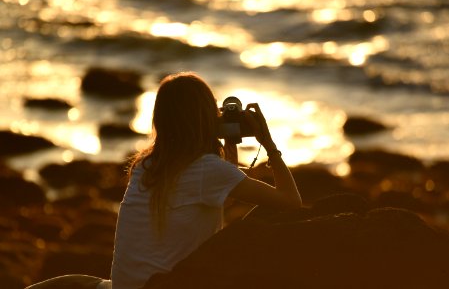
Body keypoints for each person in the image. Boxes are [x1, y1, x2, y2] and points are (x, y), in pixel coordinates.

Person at [25, 71, 301, 289]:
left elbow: (218, 196)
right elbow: (290, 201)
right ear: (204, 117)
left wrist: (229, 146)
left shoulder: (148, 165)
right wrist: (267, 141)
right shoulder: (208, 171)